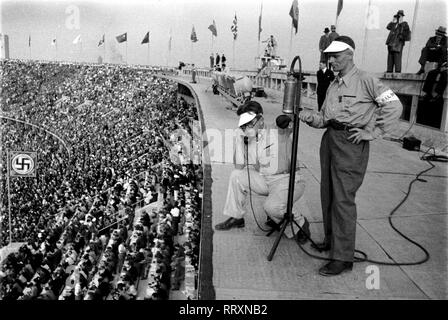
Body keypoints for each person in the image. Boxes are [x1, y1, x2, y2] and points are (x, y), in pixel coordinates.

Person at [299, 36, 403, 276]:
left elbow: (394, 105)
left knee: (343, 200)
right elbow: (325, 117)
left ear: (349, 54)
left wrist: (373, 132)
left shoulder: (366, 80)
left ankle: (343, 256)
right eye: (329, 57)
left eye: (335, 56)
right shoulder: (335, 83)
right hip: (331, 140)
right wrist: (308, 117)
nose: (331, 60)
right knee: (328, 194)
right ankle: (332, 241)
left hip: (351, 143)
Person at [214, 101, 310, 242]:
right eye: (244, 125)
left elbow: (288, 125)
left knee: (271, 207)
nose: (246, 128)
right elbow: (239, 167)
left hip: (287, 180)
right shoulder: (248, 139)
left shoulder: (277, 130)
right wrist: (240, 141)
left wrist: (288, 119)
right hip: (265, 179)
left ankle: (300, 223)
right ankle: (237, 217)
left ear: (261, 120)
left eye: (249, 123)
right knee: (236, 176)